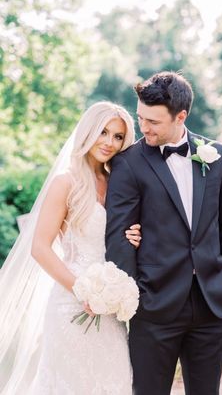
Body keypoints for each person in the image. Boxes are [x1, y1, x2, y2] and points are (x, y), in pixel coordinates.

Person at [105, 71, 222, 395]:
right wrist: (136, 297)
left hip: (211, 305)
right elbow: (119, 235)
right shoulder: (128, 163)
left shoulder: (216, 155)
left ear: (181, 116)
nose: (144, 127)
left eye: (153, 121)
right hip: (154, 307)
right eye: (141, 118)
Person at [0, 101, 142, 394]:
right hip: (70, 303)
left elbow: (119, 237)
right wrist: (82, 290)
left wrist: (135, 237)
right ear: (88, 131)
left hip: (111, 306)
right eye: (103, 132)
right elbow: (40, 247)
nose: (109, 142)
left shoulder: (120, 183)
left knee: (113, 382)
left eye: (118, 136)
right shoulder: (66, 182)